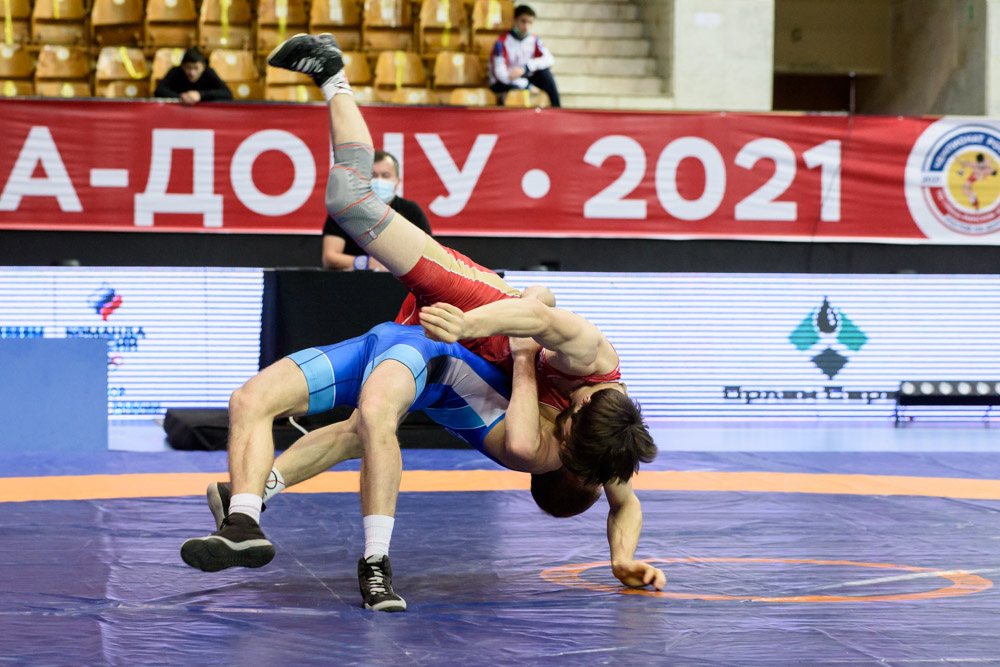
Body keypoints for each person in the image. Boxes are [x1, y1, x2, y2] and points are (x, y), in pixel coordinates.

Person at [231, 32, 662, 608]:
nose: (553, 441)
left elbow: (625, 502)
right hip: (474, 309)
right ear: (580, 412)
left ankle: (252, 494)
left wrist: (622, 558)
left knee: (367, 425)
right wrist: (473, 325)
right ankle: (334, 76)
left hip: (456, 352)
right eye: (563, 439)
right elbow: (534, 310)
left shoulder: (605, 442)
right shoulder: (592, 360)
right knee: (351, 202)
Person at [180, 321, 543, 611]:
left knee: (369, 420)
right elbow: (540, 299)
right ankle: (242, 519)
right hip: (393, 341)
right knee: (249, 399)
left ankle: (374, 561)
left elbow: (539, 302)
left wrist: (522, 351)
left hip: (419, 352)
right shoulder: (559, 379)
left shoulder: (535, 436)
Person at [322, 150, 432, 271]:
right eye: (373, 175)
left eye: (386, 176)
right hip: (354, 279)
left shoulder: (411, 211)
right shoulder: (345, 210)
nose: (379, 181)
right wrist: (366, 263)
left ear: (397, 182)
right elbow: (329, 258)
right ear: (362, 179)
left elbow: (429, 257)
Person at [488, 4, 560, 108]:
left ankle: (556, 110)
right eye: (523, 21)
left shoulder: (534, 39)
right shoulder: (501, 42)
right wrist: (526, 85)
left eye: (530, 22)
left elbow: (549, 60)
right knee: (514, 90)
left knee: (546, 76)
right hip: (506, 82)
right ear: (514, 20)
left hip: (525, 76)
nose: (526, 26)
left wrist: (526, 67)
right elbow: (500, 74)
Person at [154, 48, 233, 106]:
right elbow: (159, 90)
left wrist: (200, 95)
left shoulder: (209, 72)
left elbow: (227, 94)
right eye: (188, 68)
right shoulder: (175, 71)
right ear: (183, 66)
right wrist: (181, 97)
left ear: (203, 66)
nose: (192, 73)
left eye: (196, 68)